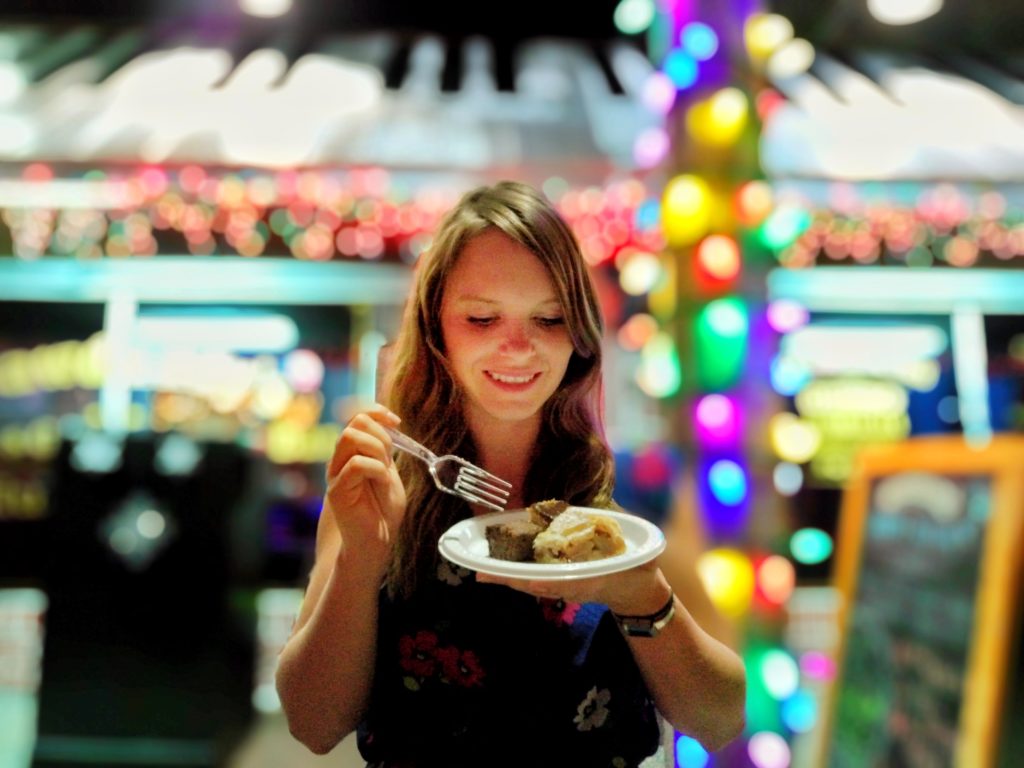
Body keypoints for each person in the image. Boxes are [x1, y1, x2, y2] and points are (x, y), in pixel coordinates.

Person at [275, 181, 746, 767]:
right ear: (435, 326)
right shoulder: (384, 486)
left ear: (578, 335)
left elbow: (722, 717)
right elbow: (313, 724)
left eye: (548, 319)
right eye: (481, 318)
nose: (518, 348)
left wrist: (640, 595)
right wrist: (361, 559)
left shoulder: (629, 492)